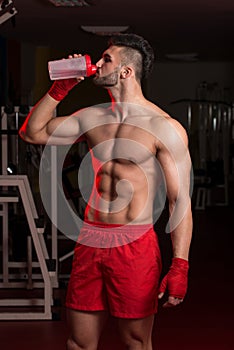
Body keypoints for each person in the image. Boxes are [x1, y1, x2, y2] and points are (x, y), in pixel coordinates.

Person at [19, 33, 193, 350]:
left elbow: (178, 200)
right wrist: (60, 90)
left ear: (126, 71)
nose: (97, 64)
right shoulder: (93, 117)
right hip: (91, 239)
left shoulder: (163, 127)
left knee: (136, 342)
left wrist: (180, 265)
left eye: (107, 59)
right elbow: (32, 133)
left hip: (135, 243)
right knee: (79, 341)